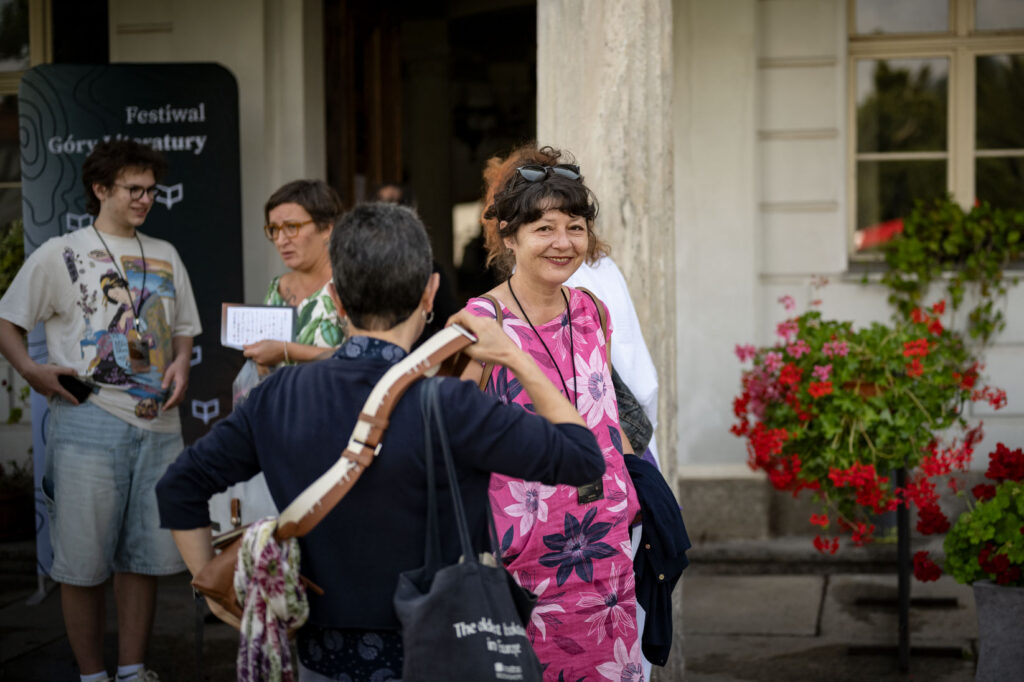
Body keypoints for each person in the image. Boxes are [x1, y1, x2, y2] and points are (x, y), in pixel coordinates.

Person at [155, 202, 606, 681]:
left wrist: (223, 594)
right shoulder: (449, 403)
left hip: (318, 656)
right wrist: (516, 358)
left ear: (337, 300)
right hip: (432, 650)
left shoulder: (276, 396)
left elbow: (178, 488)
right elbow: (583, 458)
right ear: (430, 293)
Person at [0, 139, 201, 682]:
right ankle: (92, 675)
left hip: (158, 424)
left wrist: (181, 363)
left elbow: (183, 331)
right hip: (88, 417)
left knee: (143, 557)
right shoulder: (60, 253)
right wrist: (31, 371)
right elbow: (7, 320)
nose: (145, 200)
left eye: (151, 191)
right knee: (82, 564)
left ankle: (132, 670)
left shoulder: (165, 253)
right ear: (100, 189)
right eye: (133, 190)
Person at [461, 144, 644, 681]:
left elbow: (605, 412)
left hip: (608, 545)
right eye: (543, 228)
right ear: (509, 237)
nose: (563, 242)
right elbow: (455, 434)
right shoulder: (480, 323)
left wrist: (635, 489)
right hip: (526, 556)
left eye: (575, 226)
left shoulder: (593, 311)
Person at [242, 180, 345, 369]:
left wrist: (286, 351)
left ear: (326, 229)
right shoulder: (277, 287)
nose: (281, 240)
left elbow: (361, 359)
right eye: (274, 229)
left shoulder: (348, 285)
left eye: (292, 227)